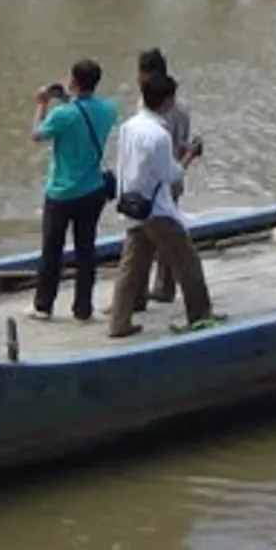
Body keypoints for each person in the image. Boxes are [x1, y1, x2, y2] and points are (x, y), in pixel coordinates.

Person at [108, 72, 214, 337]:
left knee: (130, 267)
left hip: (133, 204)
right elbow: (171, 175)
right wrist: (189, 155)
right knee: (187, 262)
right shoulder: (159, 135)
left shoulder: (129, 126)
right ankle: (200, 317)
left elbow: (122, 164)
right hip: (157, 210)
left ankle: (119, 323)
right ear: (166, 101)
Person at [28, 59, 119, 322]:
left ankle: (43, 306)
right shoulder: (108, 110)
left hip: (61, 192)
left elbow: (37, 134)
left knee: (52, 251)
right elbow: (85, 112)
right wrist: (68, 98)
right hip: (93, 190)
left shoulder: (62, 114)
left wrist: (42, 104)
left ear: (73, 81)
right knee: (86, 250)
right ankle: (83, 308)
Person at [136, 48, 203, 303]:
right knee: (165, 238)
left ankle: (138, 294)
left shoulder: (147, 107)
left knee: (143, 240)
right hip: (172, 180)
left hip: (153, 182)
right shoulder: (181, 108)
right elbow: (183, 142)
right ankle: (164, 288)